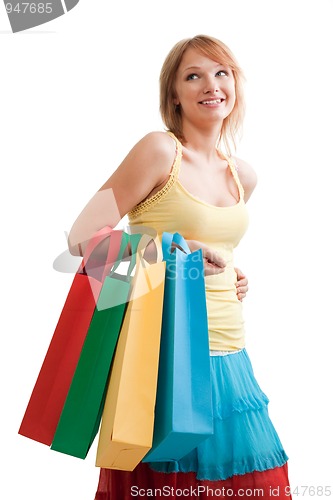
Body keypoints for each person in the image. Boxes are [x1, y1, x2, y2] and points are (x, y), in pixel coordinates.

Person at [68, 34, 291, 499]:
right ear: (174, 93)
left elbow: (212, 246)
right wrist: (173, 249)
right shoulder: (158, 151)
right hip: (163, 355)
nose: (211, 85)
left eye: (221, 72)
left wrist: (232, 271)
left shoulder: (241, 174)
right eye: (193, 75)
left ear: (235, 83)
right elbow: (81, 241)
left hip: (231, 352)